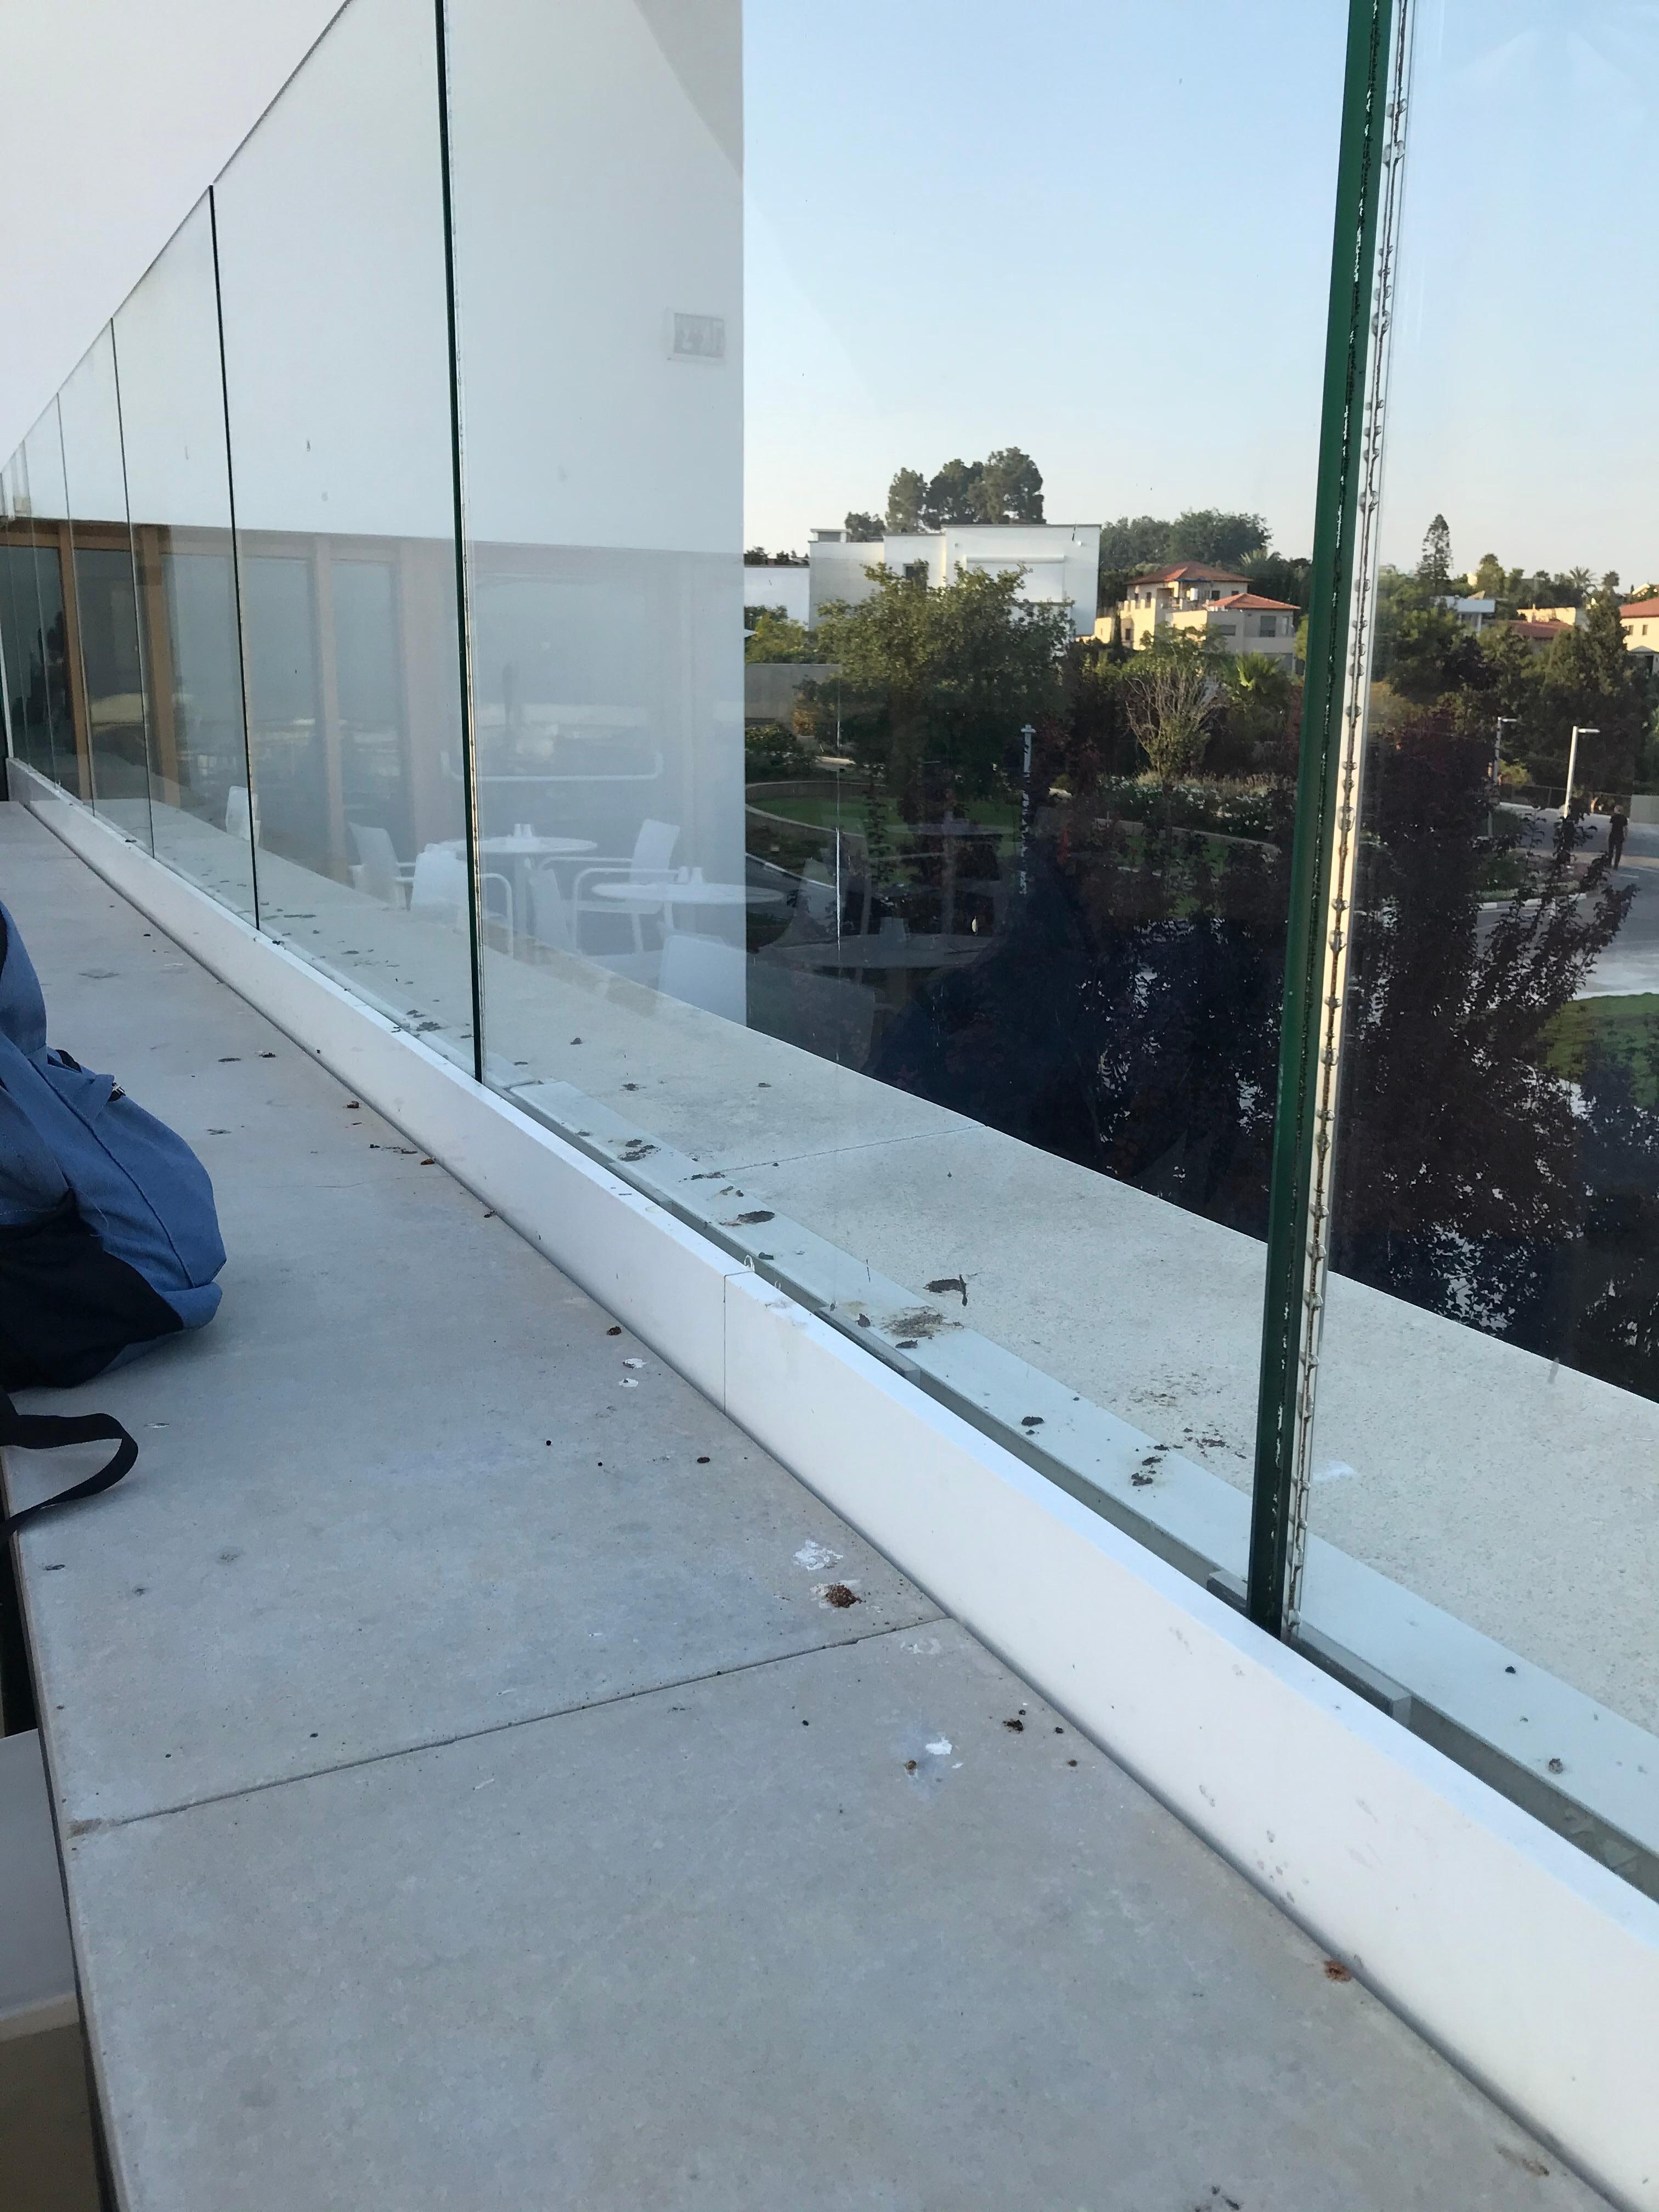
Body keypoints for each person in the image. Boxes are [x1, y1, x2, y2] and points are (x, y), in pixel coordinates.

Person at [1607, 805, 1629, 872]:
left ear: (1617, 810)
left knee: (1611, 850)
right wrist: (1626, 836)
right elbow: (1626, 828)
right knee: (1618, 851)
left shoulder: (1613, 817)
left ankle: (1609, 863)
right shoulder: (1624, 818)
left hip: (1613, 835)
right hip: (1620, 836)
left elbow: (1611, 827)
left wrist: (1608, 836)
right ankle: (1616, 865)